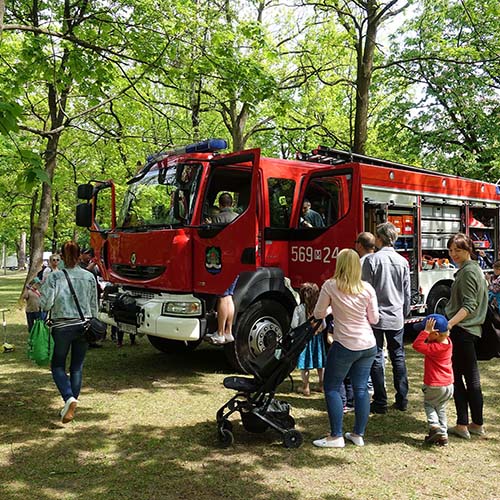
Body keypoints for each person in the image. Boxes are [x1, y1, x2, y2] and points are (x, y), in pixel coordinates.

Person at [312, 248, 378, 448]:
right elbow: (374, 319)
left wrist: (334, 309)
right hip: (368, 343)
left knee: (332, 387)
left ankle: (336, 436)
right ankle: (358, 434)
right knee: (361, 389)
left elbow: (318, 313)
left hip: (344, 343)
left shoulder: (330, 286)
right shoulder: (367, 288)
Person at [40, 241, 98, 424]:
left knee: (57, 365)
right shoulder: (89, 277)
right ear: (80, 255)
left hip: (62, 326)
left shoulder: (55, 277)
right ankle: (71, 402)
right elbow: (94, 305)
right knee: (77, 367)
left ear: (62, 257)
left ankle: (68, 399)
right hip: (84, 325)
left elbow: (46, 304)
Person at [362, 222, 411, 413]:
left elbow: (366, 290)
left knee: (376, 357)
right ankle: (402, 399)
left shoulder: (371, 260)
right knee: (398, 356)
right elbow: (406, 292)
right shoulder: (403, 261)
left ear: (380, 238)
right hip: (396, 315)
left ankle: (380, 400)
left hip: (375, 316)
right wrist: (404, 312)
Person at [445, 233, 488, 439]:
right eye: (451, 250)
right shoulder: (472, 269)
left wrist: (450, 324)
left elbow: (469, 305)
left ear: (468, 250)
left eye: (458, 250)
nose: (453, 254)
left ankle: (463, 424)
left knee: (460, 379)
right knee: (471, 379)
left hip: (463, 331)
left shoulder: (469, 272)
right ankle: (476, 423)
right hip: (469, 332)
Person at [412, 314, 454, 446]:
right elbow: (434, 338)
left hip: (435, 384)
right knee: (440, 408)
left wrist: (426, 333)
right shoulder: (448, 343)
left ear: (435, 334)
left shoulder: (435, 348)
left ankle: (434, 427)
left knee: (429, 405)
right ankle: (443, 436)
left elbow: (417, 345)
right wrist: (430, 333)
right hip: (448, 385)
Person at [292, 283, 326, 396]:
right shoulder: (319, 310)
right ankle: (321, 385)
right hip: (317, 339)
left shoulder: (299, 309)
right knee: (320, 363)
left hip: (304, 340)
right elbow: (324, 325)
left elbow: (294, 325)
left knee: (305, 364)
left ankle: (305, 387)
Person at [210, 276, 238, 344]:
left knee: (223, 297)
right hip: (235, 269)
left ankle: (220, 333)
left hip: (224, 270)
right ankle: (228, 331)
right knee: (229, 296)